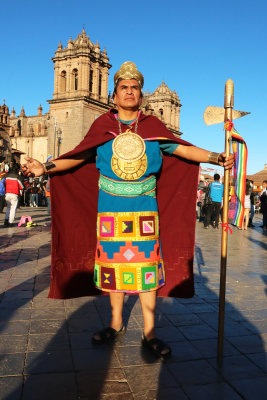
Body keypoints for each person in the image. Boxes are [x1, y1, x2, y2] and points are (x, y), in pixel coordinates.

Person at [22, 61, 234, 358]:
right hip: (110, 210)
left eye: (135, 87)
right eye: (124, 87)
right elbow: (77, 157)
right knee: (114, 270)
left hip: (144, 210)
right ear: (115, 94)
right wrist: (44, 167)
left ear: (140, 94)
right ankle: (115, 323)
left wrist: (215, 155)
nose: (130, 92)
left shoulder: (153, 127)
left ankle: (150, 332)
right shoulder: (102, 126)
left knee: (146, 271)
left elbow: (181, 148)